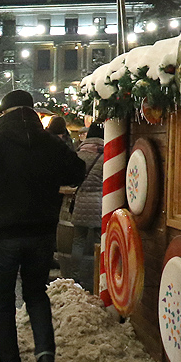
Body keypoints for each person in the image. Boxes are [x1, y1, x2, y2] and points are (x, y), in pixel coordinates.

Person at [0, 90, 86, 362]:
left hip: (4, 235)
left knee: (3, 300)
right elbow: (76, 171)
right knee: (36, 294)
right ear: (32, 112)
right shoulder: (51, 143)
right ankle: (46, 358)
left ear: (4, 113)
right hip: (42, 233)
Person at [70, 124, 107, 292]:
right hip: (99, 204)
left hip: (80, 201)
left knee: (78, 241)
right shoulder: (105, 157)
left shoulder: (78, 154)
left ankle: (75, 276)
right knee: (100, 242)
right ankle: (98, 275)